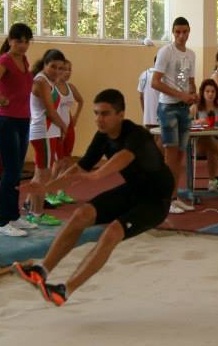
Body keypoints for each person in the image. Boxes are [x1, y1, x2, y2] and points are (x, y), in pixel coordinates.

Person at [12, 89, 174, 306]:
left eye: (105, 114)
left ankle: (65, 290)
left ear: (120, 115)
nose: (99, 119)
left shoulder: (136, 134)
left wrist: (98, 175)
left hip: (156, 200)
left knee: (112, 232)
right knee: (81, 214)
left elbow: (124, 157)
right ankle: (41, 270)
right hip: (133, 190)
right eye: (96, 113)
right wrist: (46, 188)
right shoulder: (102, 137)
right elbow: (78, 169)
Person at [0, 22, 37, 238]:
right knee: (10, 171)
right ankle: (4, 222)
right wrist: (1, 101)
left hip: (23, 120)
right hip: (6, 122)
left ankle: (14, 216)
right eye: (18, 41)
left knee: (17, 170)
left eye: (26, 42)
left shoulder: (24, 60)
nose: (23, 45)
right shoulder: (5, 61)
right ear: (10, 40)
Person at [151, 17, 198, 214]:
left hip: (183, 108)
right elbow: (155, 82)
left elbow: (188, 80)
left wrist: (193, 93)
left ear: (189, 32)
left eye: (185, 32)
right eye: (178, 32)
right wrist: (180, 94)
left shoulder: (190, 54)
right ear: (173, 32)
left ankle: (174, 196)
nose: (181, 36)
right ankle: (166, 200)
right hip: (168, 107)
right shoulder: (166, 51)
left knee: (179, 155)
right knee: (170, 156)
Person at [25, 49, 68, 227]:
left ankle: (31, 207)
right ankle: (37, 213)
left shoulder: (49, 81)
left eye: (60, 68)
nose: (57, 71)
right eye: (53, 66)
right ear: (44, 64)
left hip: (48, 132)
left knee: (40, 173)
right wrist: (64, 126)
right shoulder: (42, 81)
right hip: (43, 132)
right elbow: (50, 111)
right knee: (43, 174)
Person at [46, 59, 82, 208]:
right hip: (56, 128)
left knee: (67, 160)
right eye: (64, 69)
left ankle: (61, 191)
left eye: (69, 70)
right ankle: (49, 192)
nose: (67, 73)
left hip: (69, 127)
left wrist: (76, 117)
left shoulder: (71, 87)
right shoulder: (51, 88)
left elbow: (81, 101)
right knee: (58, 162)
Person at [191, 79, 218, 190]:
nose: (210, 94)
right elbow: (186, 124)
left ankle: (212, 182)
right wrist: (196, 122)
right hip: (199, 143)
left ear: (216, 93)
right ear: (202, 93)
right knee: (206, 138)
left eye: (213, 91)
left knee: (211, 147)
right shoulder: (195, 108)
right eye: (207, 91)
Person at [137, 56, 160, 131]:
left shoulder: (144, 75)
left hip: (148, 120)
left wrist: (146, 114)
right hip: (162, 119)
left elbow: (141, 97)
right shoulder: (164, 76)